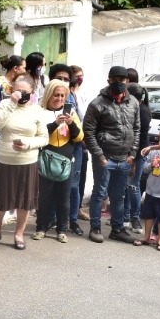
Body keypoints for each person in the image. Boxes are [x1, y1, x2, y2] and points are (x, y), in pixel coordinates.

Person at [0, 76, 47, 250]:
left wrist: (28, 144)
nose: (20, 94)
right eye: (17, 90)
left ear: (32, 92)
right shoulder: (4, 105)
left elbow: (44, 138)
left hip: (27, 160)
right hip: (4, 159)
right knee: (0, 198)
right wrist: (11, 103)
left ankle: (19, 234)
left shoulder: (37, 110)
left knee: (24, 200)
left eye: (24, 91)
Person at [84, 66, 142, 243]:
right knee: (100, 193)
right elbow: (88, 131)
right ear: (109, 80)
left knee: (119, 196)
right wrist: (99, 156)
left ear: (127, 81)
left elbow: (137, 128)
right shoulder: (97, 103)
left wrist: (132, 154)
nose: (119, 83)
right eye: (115, 79)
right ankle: (95, 228)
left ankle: (117, 229)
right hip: (105, 158)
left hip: (125, 157)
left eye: (122, 79)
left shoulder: (133, 102)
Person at [33, 79, 83, 243]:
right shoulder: (39, 111)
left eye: (63, 96)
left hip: (66, 162)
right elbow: (38, 135)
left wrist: (70, 124)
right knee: (44, 198)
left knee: (64, 198)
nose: (60, 99)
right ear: (48, 95)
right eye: (56, 95)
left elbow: (79, 137)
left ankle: (62, 229)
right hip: (47, 160)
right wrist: (55, 123)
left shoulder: (71, 112)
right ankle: (41, 227)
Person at [133, 127, 160, 251]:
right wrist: (151, 165)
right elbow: (144, 169)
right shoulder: (154, 153)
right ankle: (146, 237)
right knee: (149, 216)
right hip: (151, 192)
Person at [124, 74, 151, 234]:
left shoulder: (142, 111)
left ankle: (135, 218)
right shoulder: (135, 108)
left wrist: (134, 158)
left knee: (133, 186)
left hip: (138, 154)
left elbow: (140, 137)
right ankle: (126, 217)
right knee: (127, 186)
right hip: (131, 153)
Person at [69, 65, 90, 234]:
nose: (79, 79)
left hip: (80, 142)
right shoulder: (68, 96)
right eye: (77, 76)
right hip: (70, 143)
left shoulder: (81, 94)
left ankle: (75, 214)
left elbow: (84, 118)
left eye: (81, 76)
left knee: (77, 182)